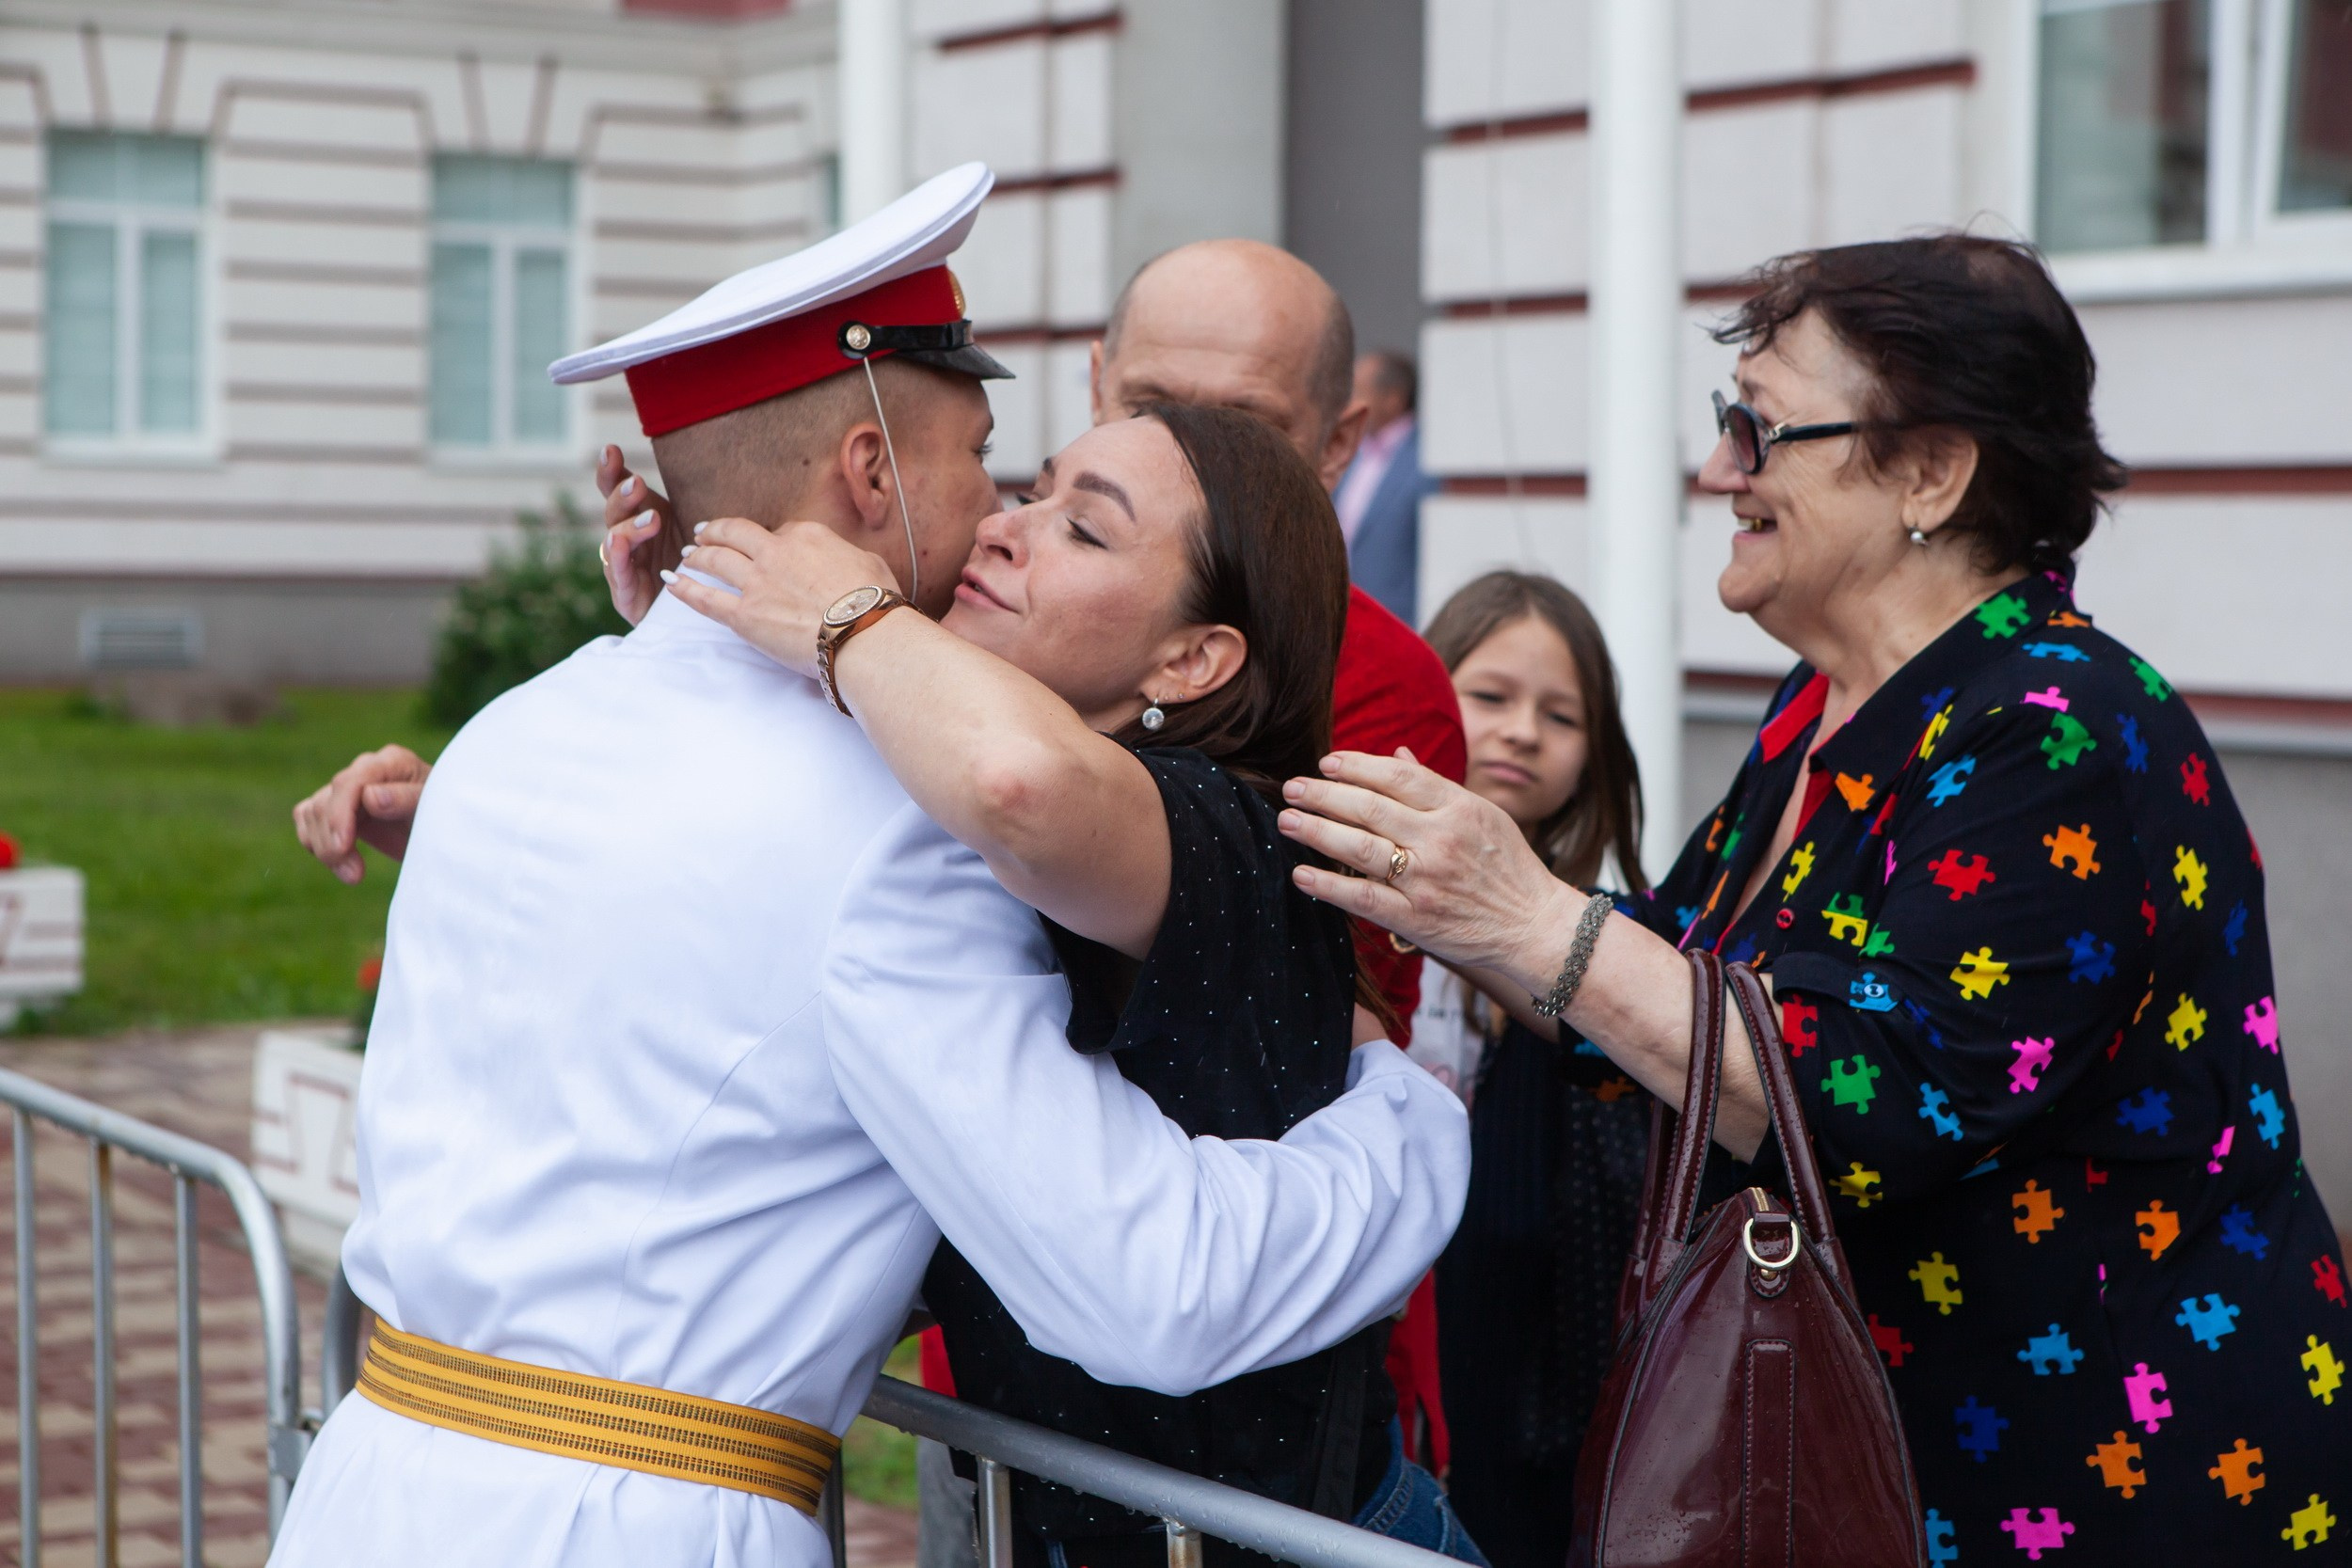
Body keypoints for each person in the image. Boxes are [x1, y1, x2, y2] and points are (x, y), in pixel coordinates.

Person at [270, 165, 1469, 1568]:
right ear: (872, 475)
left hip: (372, 1486)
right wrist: (1416, 1122)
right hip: (644, 1522)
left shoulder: (509, 732)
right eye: (984, 460)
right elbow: (1150, 1282)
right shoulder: (899, 821)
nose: (998, 511)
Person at [1274, 235, 2352, 1562]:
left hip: (2096, 1481)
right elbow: (1671, 981)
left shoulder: (2058, 727)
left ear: (1931, 472)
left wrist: (1524, 916)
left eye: (1759, 426)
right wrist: (1404, 887)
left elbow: (1866, 1096)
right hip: (1887, 1462)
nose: (1723, 469)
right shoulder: (1831, 701)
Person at [667, 396, 1483, 1564]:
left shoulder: (1229, 829)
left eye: (1084, 530)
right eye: (1033, 487)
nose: (1007, 526)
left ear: (1192, 659)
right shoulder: (1019, 801)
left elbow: (1018, 780)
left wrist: (847, 618)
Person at [1400, 572, 1647, 1568]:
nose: (1521, 732)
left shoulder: (1610, 950)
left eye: (1561, 713)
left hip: (1529, 1393)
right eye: (1490, 694)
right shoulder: (1340, 901)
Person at [1332, 352, 1433, 626]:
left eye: (1358, 391)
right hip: (1344, 621)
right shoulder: (1353, 452)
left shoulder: (1427, 459)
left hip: (1398, 625)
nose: (1347, 403)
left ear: (1393, 399)